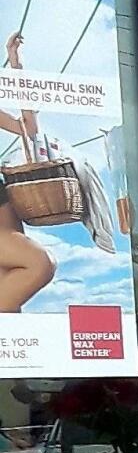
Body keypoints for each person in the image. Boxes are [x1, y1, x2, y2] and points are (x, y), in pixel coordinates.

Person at [0, 63, 56, 316]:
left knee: (12, 290)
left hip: (3, 204)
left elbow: (29, 129)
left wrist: (16, 65)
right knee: (38, 263)